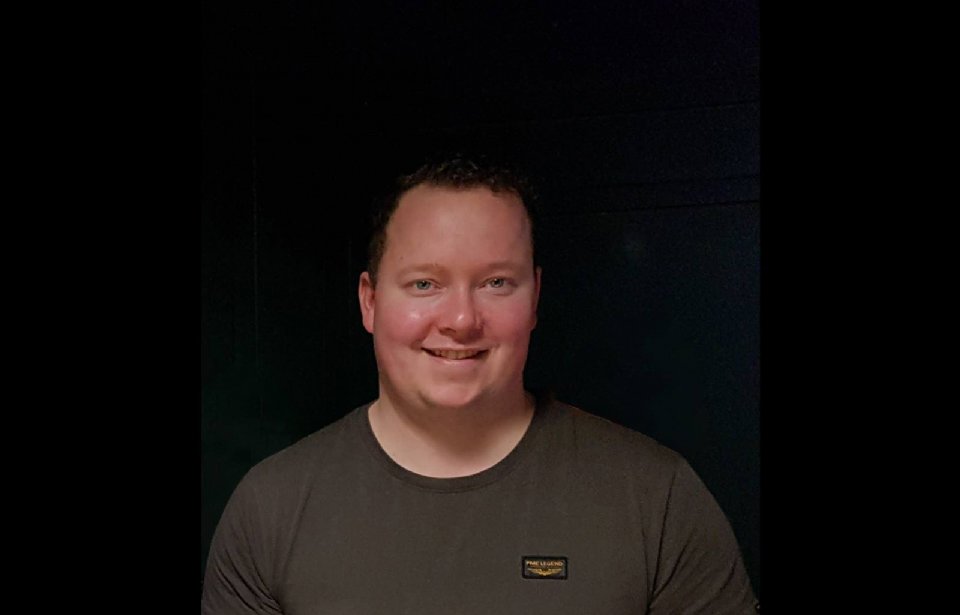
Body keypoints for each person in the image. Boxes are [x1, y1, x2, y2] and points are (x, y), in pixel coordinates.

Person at [201, 155, 759, 614]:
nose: (462, 320)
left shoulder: (656, 499)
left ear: (535, 298)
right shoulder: (270, 509)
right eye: (425, 284)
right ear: (369, 301)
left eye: (496, 282)